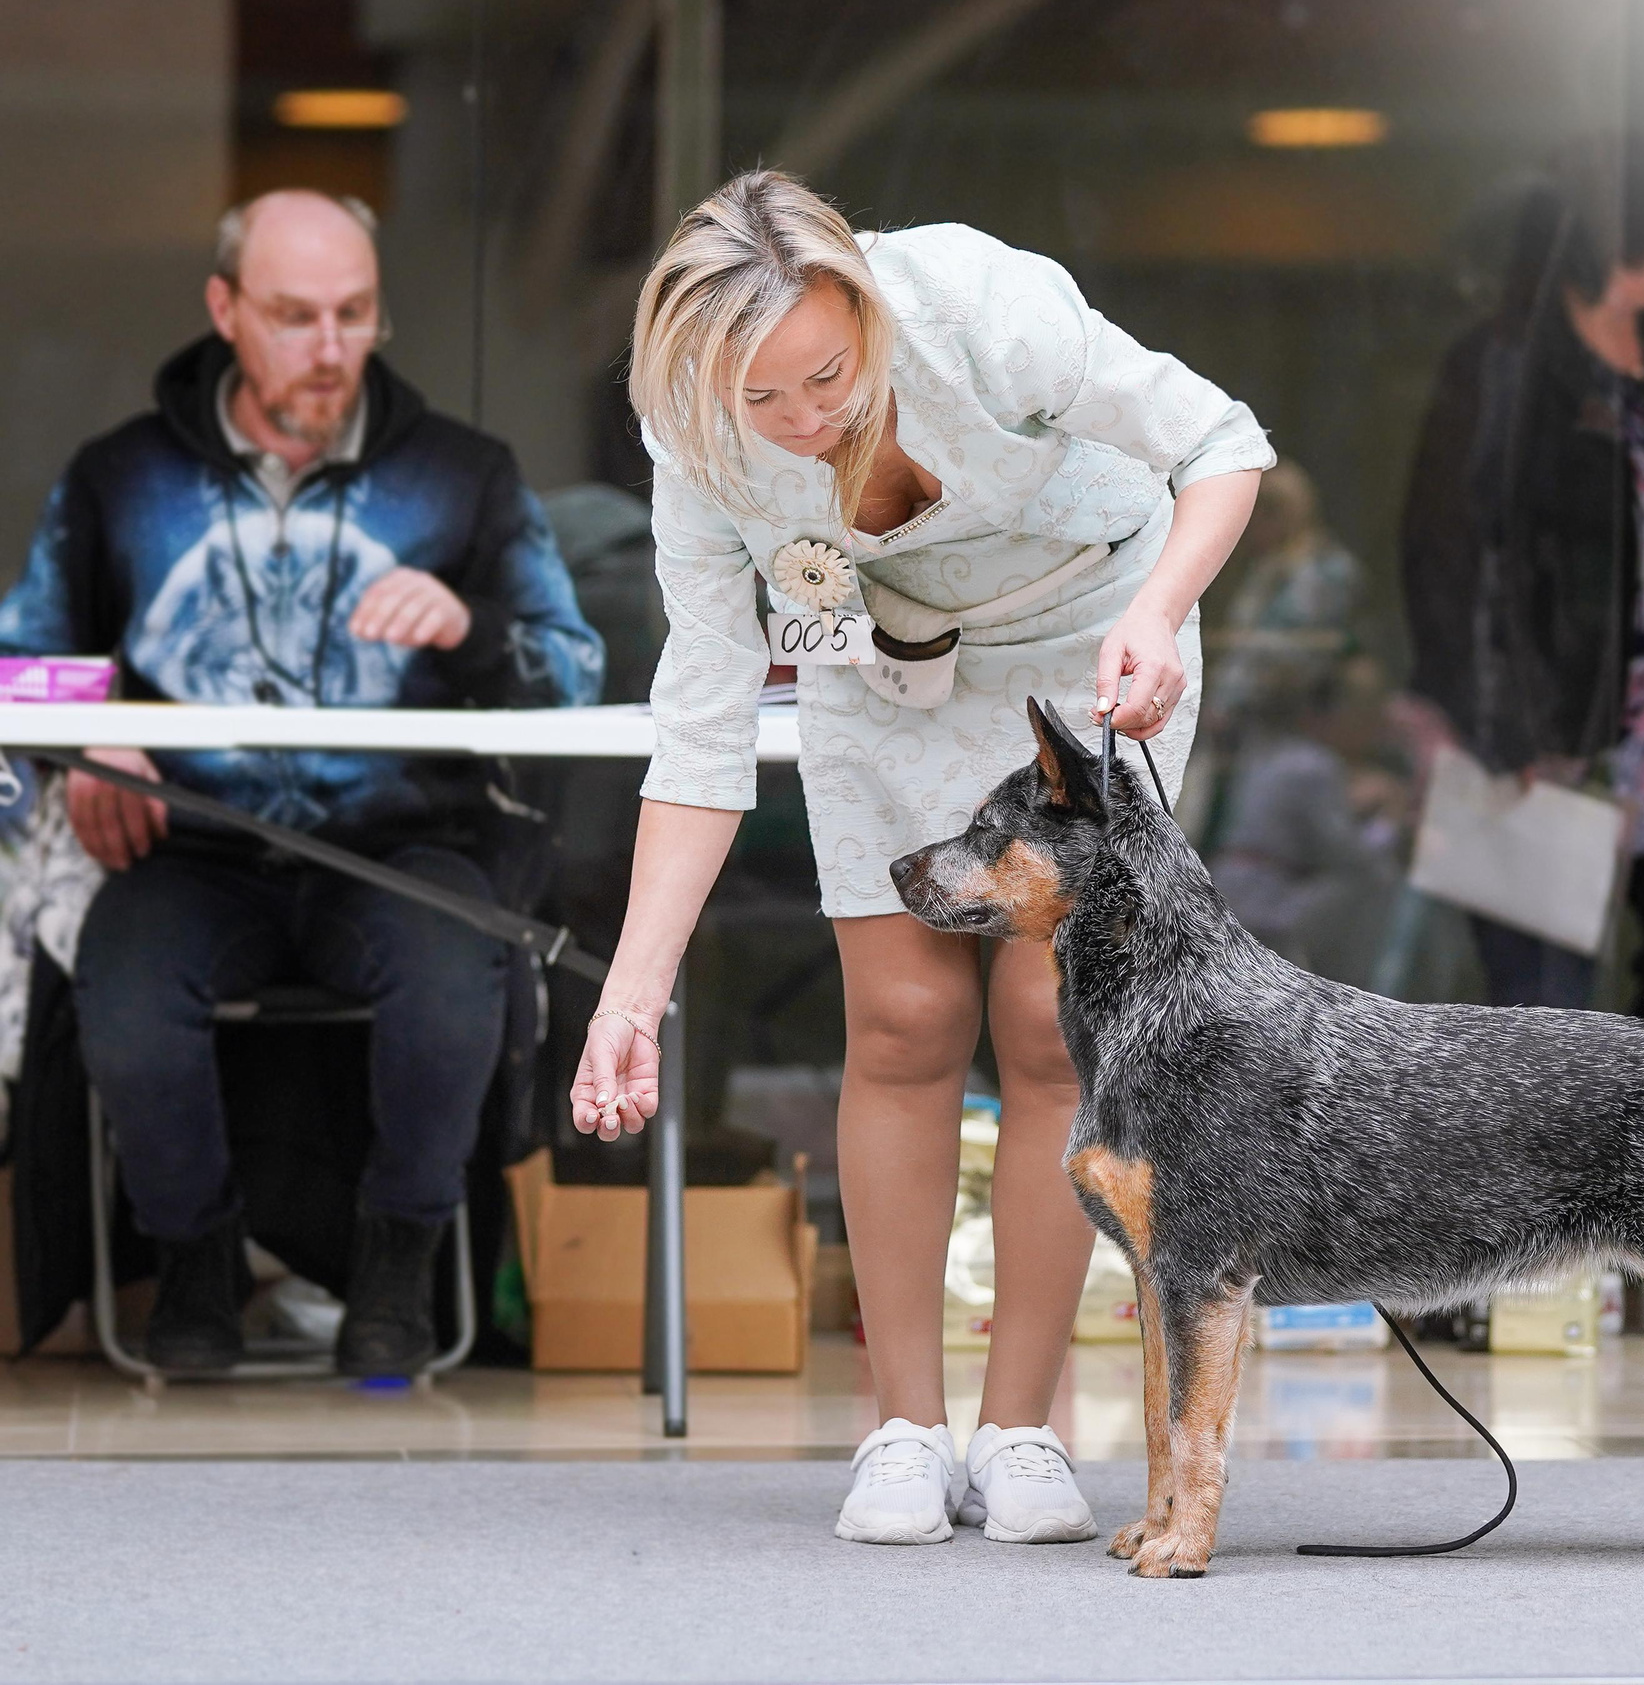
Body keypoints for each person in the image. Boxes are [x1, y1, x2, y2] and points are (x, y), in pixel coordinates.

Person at [573, 174, 1269, 1547]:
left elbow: (1221, 443)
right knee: (901, 1019)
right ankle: (901, 1426)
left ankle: (1022, 1428)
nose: (802, 418)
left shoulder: (971, 304)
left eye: (826, 374)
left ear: (865, 307)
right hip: (882, 678)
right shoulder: (692, 433)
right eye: (759, 400)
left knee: (1046, 1030)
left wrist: (1161, 612)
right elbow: (704, 719)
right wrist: (629, 996)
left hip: (1092, 645)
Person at [0, 190, 604, 1375]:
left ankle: (397, 1271)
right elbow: (24, 659)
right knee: (123, 993)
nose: (330, 348)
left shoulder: (463, 474)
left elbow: (575, 670)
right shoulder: (118, 477)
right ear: (225, 310)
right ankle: (196, 1264)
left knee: (452, 981)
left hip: (403, 844)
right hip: (189, 848)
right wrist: (95, 735)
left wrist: (471, 627)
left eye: (354, 315)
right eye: (293, 316)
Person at [1402, 136, 1644, 1019]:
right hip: (1555, 744)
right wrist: (1506, 728)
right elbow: (1453, 555)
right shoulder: (1507, 371)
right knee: (1545, 1018)